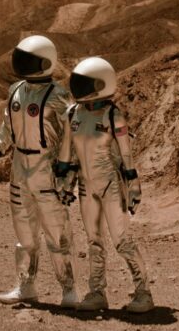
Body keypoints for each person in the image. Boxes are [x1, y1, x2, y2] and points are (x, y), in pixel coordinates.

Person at [0, 34, 79, 307]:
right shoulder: (16, 91)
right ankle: (26, 286)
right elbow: (7, 128)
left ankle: (68, 290)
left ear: (44, 63)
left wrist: (68, 172)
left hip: (47, 170)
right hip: (19, 168)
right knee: (25, 235)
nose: (21, 65)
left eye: (28, 61)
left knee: (57, 234)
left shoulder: (59, 97)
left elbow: (73, 134)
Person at [54, 56, 154, 313]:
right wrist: (64, 178)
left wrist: (133, 185)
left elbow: (127, 156)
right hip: (86, 187)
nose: (80, 89)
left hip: (110, 184)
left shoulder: (113, 116)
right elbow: (66, 153)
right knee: (94, 240)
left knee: (121, 240)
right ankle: (96, 292)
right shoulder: (72, 115)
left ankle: (143, 292)